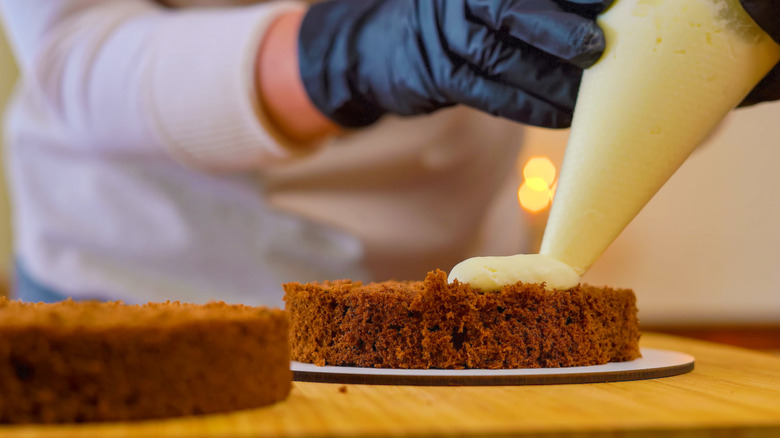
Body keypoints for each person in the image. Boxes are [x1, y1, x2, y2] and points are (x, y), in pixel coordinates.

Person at [0, 0, 777, 306]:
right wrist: (349, 51)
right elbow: (74, 53)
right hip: (134, 280)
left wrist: (695, 38)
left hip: (434, 290)